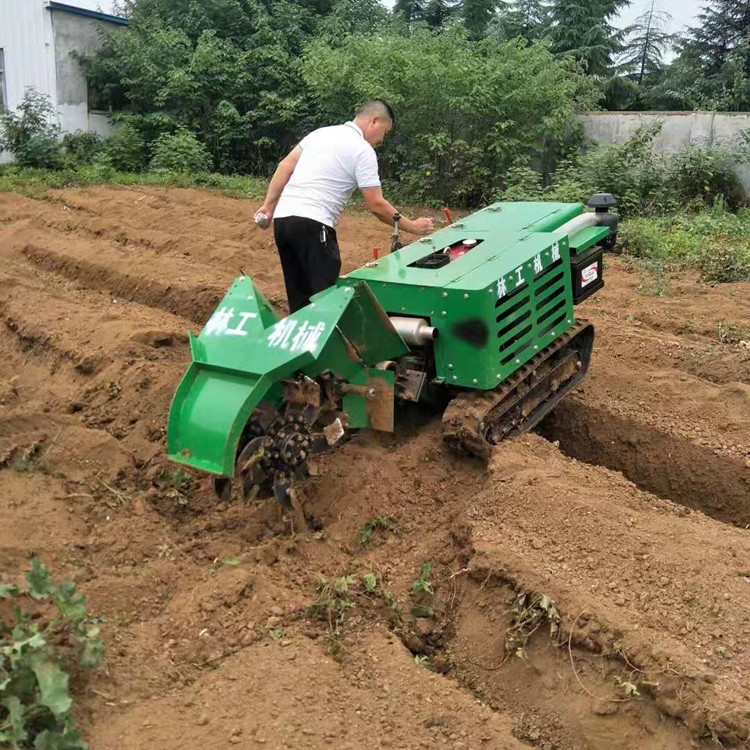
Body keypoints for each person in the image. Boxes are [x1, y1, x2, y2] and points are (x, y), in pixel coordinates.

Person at [255, 100, 435, 313]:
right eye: (384, 133)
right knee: (325, 303)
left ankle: (302, 343)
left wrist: (268, 206)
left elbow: (285, 166)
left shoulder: (320, 134)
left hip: (284, 223)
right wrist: (413, 226)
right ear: (374, 121)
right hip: (314, 226)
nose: (381, 140)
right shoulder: (362, 150)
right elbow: (376, 204)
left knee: (301, 302)